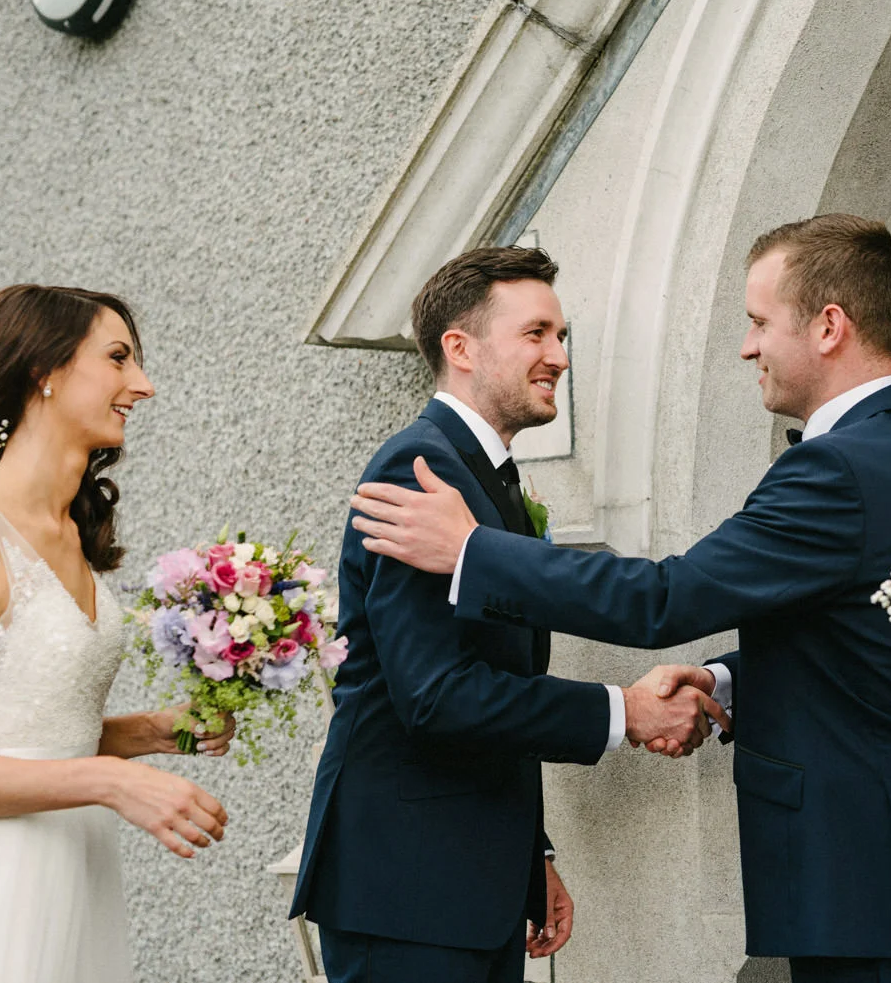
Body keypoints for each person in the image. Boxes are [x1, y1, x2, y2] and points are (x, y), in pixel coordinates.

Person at [348, 215, 891, 983]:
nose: (747, 345)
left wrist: (474, 551)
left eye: (758, 321)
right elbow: (863, 634)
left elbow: (664, 598)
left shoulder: (843, 467)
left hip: (877, 884)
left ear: (830, 325)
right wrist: (724, 679)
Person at [288, 246, 724, 983]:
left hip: (468, 879)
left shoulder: (489, 481)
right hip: (408, 890)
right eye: (536, 333)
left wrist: (532, 853)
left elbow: (493, 678)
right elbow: (436, 695)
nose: (558, 355)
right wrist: (625, 711)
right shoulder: (419, 470)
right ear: (460, 347)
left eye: (562, 336)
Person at [0, 285, 234, 983]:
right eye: (118, 358)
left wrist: (150, 732)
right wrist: (106, 780)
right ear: (45, 370)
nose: (143, 384)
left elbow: (25, 726)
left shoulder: (75, 534)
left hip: (76, 866)